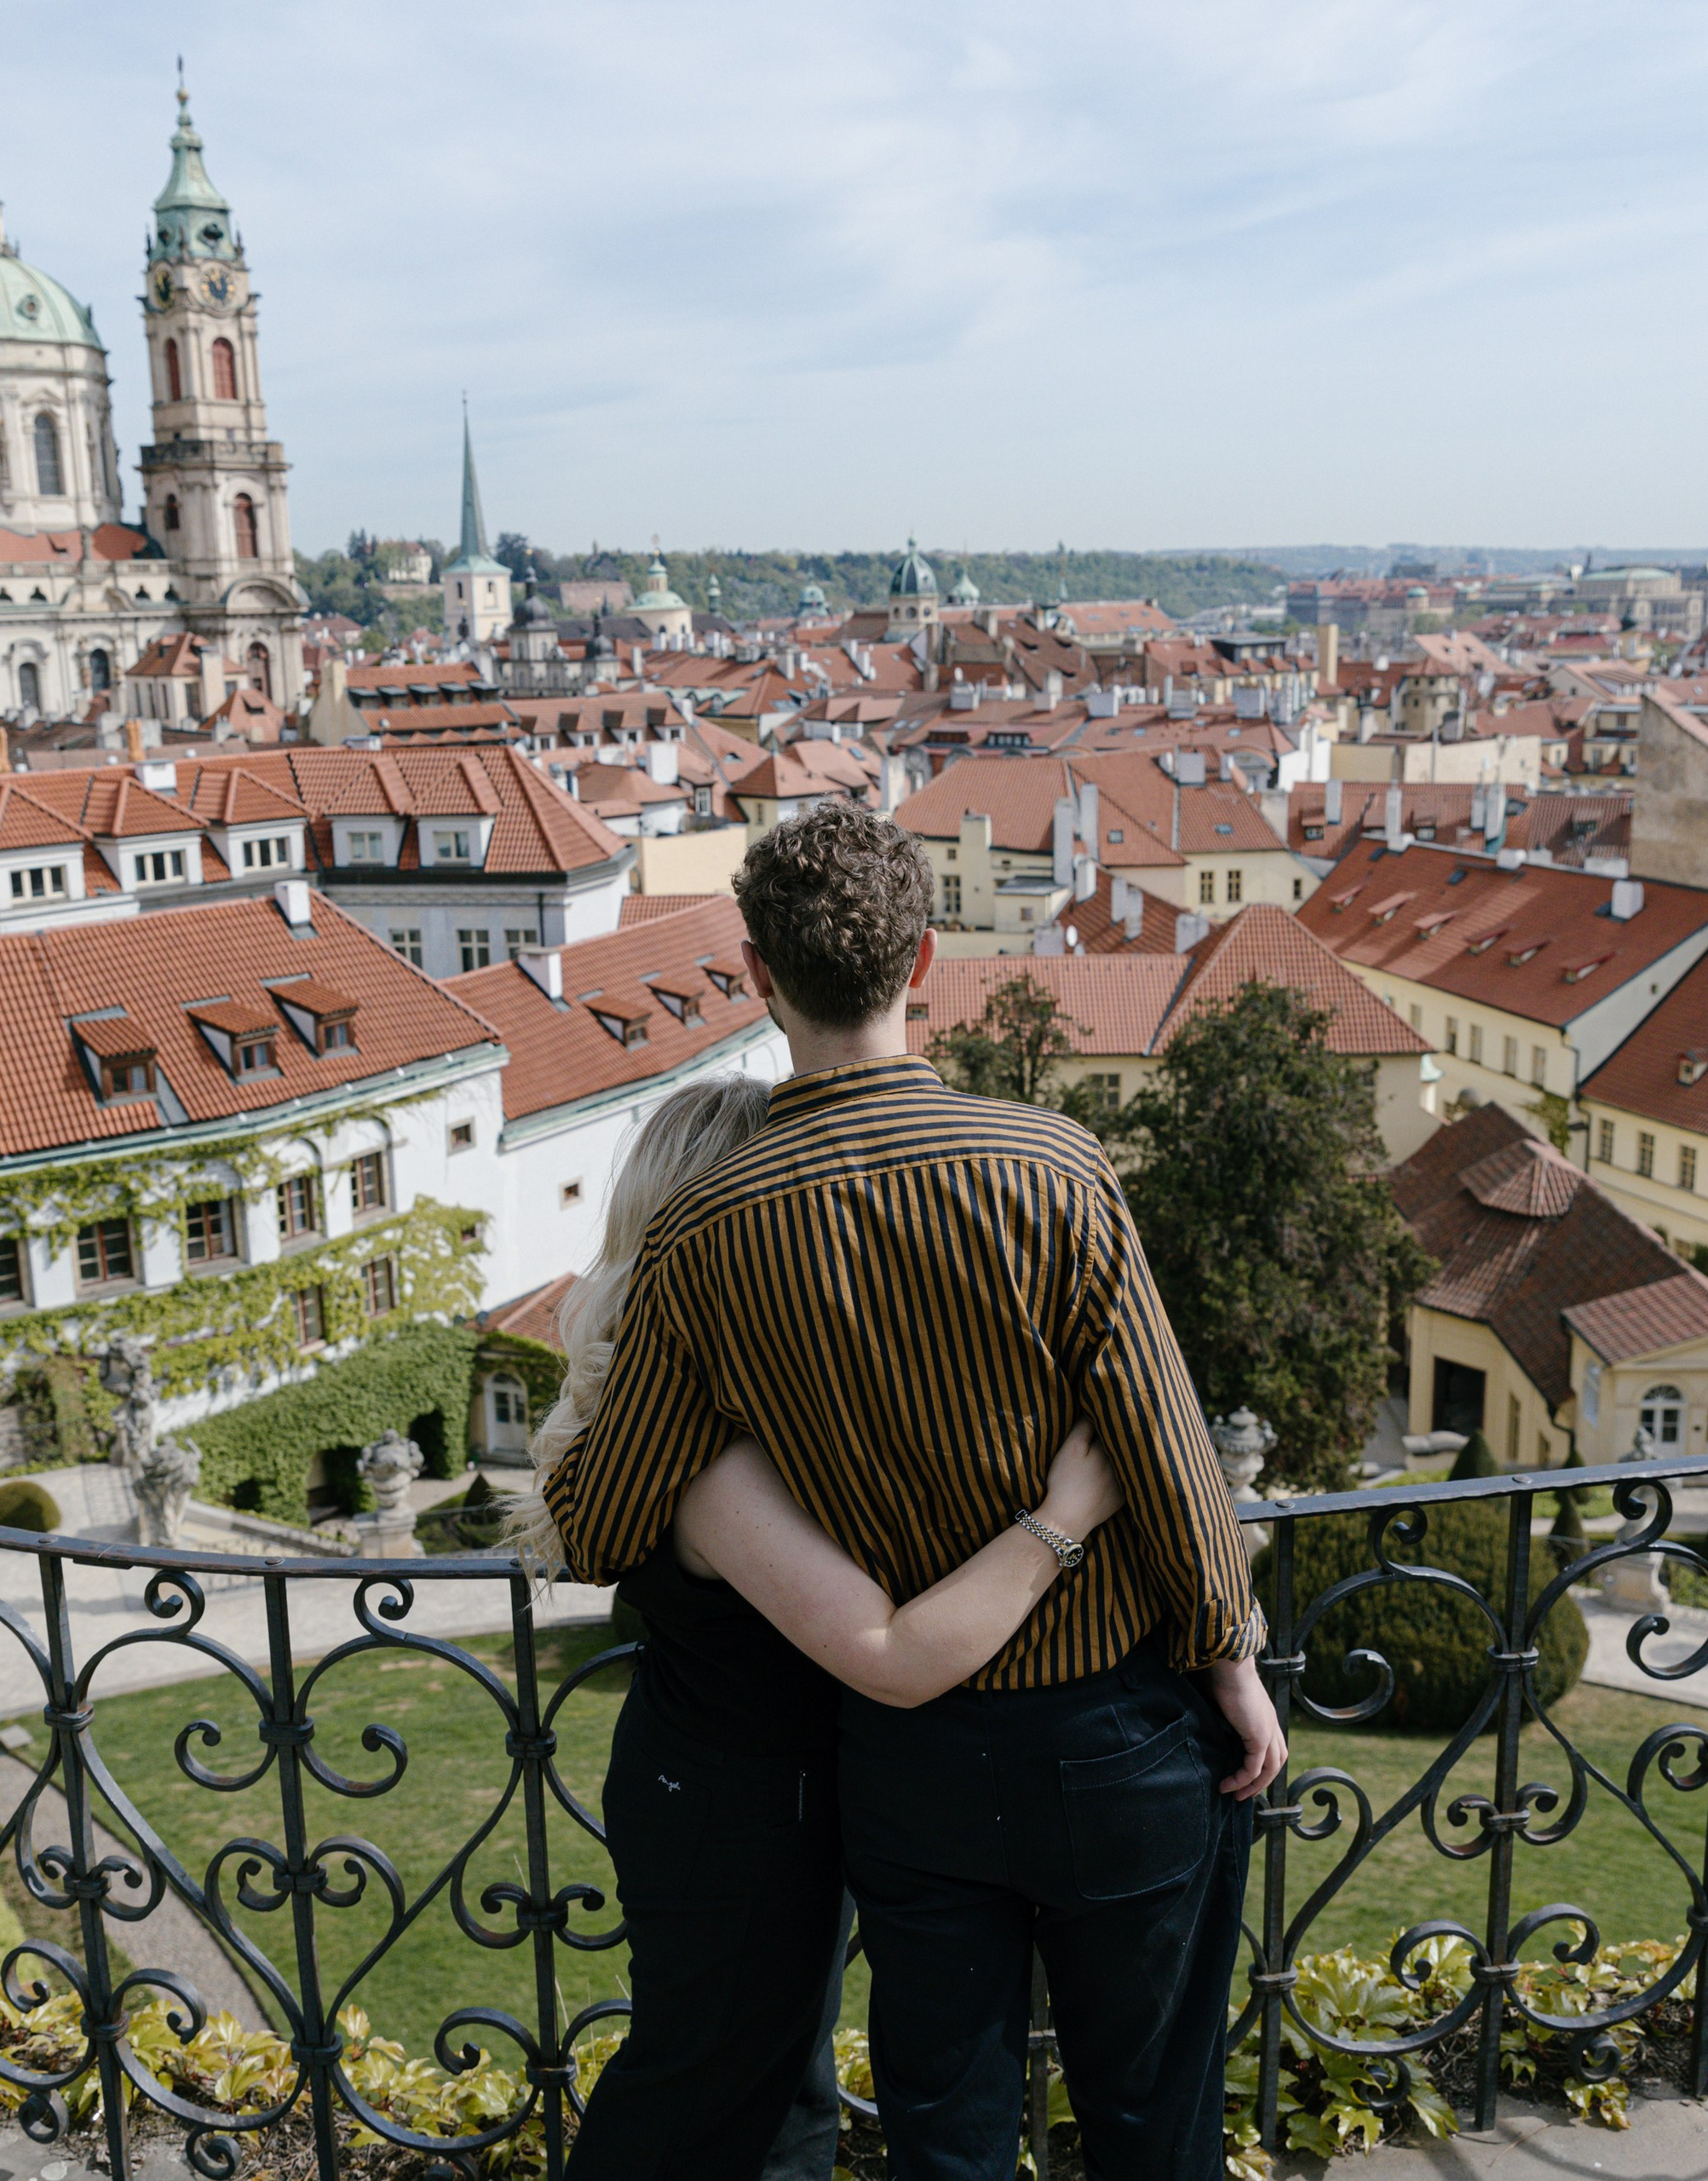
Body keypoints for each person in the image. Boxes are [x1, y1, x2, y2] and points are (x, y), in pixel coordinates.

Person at [545, 802, 1286, 2180]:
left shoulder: (707, 1233)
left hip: (914, 1764)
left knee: (948, 2138)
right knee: (1154, 2122)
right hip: (1115, 1732)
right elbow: (1167, 1452)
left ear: (761, 980)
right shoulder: (1052, 1167)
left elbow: (595, 1524)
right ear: (925, 959)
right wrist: (1231, 1662)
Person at [513, 1077, 1125, 2181]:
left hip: (747, 1795)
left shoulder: (714, 1417)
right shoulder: (711, 1461)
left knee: (778, 2105)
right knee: (701, 2102)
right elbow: (887, 1656)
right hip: (731, 1817)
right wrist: (1066, 1516)